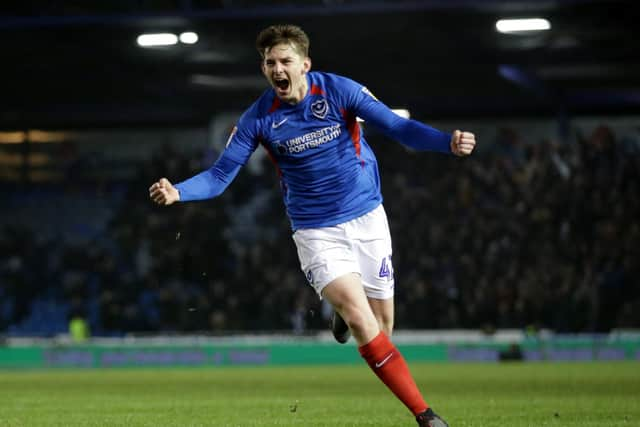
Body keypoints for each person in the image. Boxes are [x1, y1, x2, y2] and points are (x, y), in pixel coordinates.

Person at [149, 24, 476, 427]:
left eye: (285, 60)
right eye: (269, 63)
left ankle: (341, 310)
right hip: (316, 230)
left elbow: (397, 127)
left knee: (383, 328)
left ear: (305, 64)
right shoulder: (257, 119)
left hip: (367, 217)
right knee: (362, 321)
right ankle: (425, 416)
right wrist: (178, 192)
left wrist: (447, 142)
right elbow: (219, 177)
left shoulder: (340, 91)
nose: (276, 69)